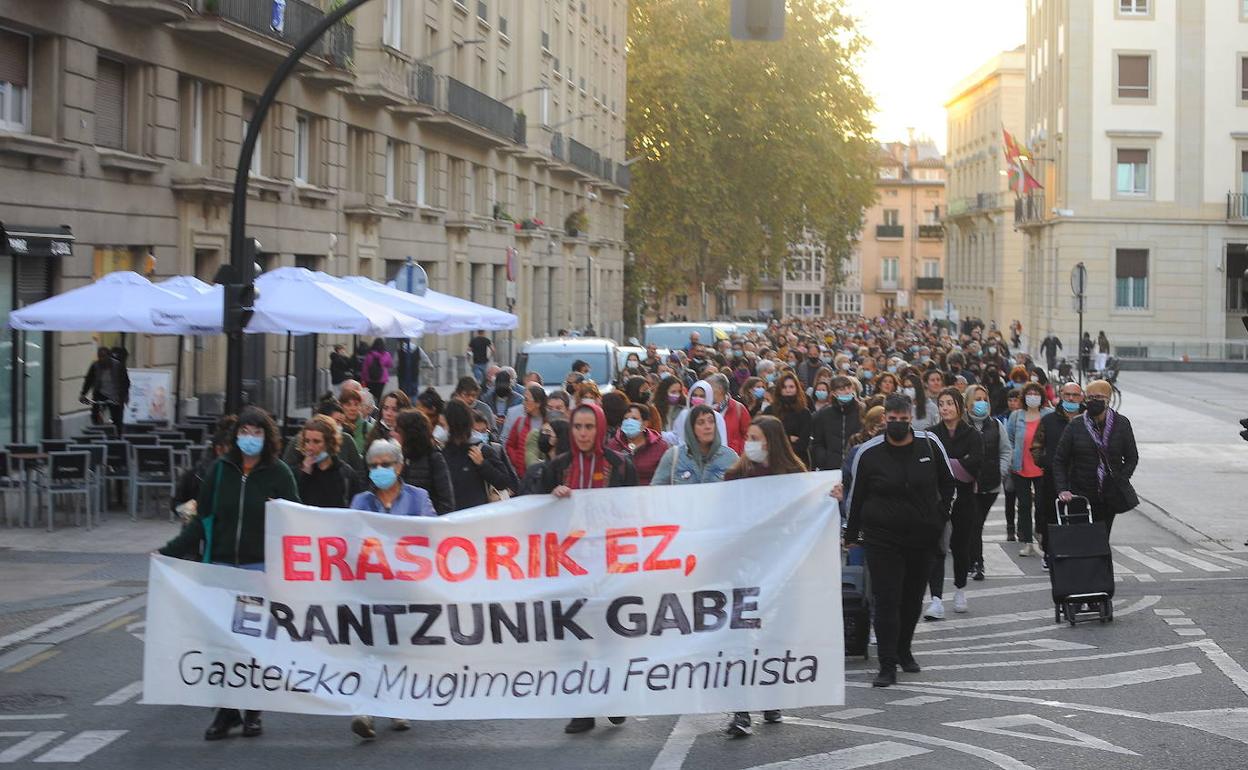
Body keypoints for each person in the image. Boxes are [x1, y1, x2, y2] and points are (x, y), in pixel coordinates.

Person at [158, 407, 300, 740]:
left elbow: (294, 524)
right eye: (244, 432)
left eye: (257, 432)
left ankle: (252, 712)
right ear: (235, 436)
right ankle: (225, 712)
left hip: (258, 569)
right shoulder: (220, 473)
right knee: (221, 645)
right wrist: (167, 553)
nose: (250, 438)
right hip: (221, 568)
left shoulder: (280, 474)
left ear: (268, 437)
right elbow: (201, 523)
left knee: (253, 646)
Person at [537, 402, 636, 735]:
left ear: (600, 428)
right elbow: (535, 510)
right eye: (577, 426)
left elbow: (635, 511)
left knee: (610, 635)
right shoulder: (557, 467)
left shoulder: (619, 465)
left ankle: (614, 698)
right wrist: (552, 497)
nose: (582, 433)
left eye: (589, 427)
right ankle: (582, 708)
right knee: (574, 637)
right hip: (569, 567)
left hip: (610, 564)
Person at [844, 393, 955, 688]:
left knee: (911, 599)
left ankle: (904, 648)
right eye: (892, 420)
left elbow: (948, 482)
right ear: (884, 420)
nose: (897, 425)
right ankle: (887, 663)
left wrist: (940, 516)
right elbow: (856, 496)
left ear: (911, 419)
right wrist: (851, 534)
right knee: (887, 599)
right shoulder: (869, 453)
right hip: (882, 537)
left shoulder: (929, 445)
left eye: (903, 420)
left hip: (922, 535)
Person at [718, 414, 806, 736]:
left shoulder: (794, 475)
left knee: (772, 636)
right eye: (748, 438)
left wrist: (830, 497)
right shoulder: (736, 475)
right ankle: (740, 712)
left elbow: (809, 511)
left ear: (772, 441)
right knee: (739, 639)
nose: (749, 444)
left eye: (756, 438)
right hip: (743, 568)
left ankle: (770, 695)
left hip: (780, 567)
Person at [346, 438, 433, 740]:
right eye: (373, 466)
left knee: (399, 646)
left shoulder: (418, 498)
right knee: (369, 647)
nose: (379, 470)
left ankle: (398, 703)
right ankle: (365, 710)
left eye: (385, 464)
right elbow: (349, 538)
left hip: (406, 588)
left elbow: (432, 533)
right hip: (370, 588)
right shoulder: (361, 502)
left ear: (400, 466)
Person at [926, 388, 984, 618]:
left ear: (960, 406)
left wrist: (946, 466)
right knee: (937, 548)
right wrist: (957, 464)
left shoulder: (972, 435)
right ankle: (936, 599)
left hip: (965, 498)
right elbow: (928, 466)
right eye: (942, 403)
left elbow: (975, 465)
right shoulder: (931, 434)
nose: (945, 408)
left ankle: (960, 589)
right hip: (938, 499)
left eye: (950, 403)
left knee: (961, 547)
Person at [1054, 379, 1139, 534]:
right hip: (1079, 494)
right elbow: (1060, 460)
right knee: (1081, 539)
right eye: (1090, 398)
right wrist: (1062, 489)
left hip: (1108, 495)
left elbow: (1132, 457)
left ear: (1108, 399)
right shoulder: (1076, 424)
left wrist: (1120, 479)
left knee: (1101, 539)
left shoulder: (1121, 423)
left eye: (1099, 398)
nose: (1094, 402)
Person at [1031, 380, 1084, 567]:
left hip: (1080, 477)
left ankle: (1076, 551)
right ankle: (1049, 552)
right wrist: (1046, 462)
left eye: (1075, 395)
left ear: (1081, 397)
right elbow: (1036, 447)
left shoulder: (1087, 420)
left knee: (1079, 515)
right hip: (1052, 476)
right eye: (1067, 394)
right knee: (1050, 515)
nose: (1071, 398)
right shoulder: (1049, 421)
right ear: (1061, 395)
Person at [965, 385, 1012, 581]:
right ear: (968, 402)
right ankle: (977, 562)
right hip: (968, 483)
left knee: (976, 523)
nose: (981, 403)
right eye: (977, 399)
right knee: (974, 523)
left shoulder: (996, 425)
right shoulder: (961, 425)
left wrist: (999, 472)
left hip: (990, 485)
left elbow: (1005, 450)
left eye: (984, 398)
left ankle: (971, 558)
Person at [441, 400, 514, 511]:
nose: (441, 429)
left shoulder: (482, 450)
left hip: (477, 519)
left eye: (443, 425)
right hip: (449, 519)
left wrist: (483, 464)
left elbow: (503, 482)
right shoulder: (442, 452)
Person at [1006, 382, 1052, 557]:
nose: (1033, 396)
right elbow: (1009, 438)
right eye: (1029, 393)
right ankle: (1027, 541)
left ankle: (1040, 534)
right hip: (1020, 466)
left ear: (1041, 396)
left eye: (1036, 393)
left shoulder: (1048, 415)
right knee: (1024, 505)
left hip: (1041, 467)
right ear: (1024, 397)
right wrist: (1012, 455)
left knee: (1041, 504)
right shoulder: (1016, 416)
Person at [652, 404, 738, 485]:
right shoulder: (674, 456)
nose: (708, 426)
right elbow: (656, 491)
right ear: (691, 429)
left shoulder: (730, 457)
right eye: (701, 423)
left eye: (711, 421)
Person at [393, 408, 455, 514]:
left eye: (397, 431)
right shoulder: (397, 457)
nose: (393, 434)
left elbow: (446, 502)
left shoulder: (434, 459)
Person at [294, 415, 358, 508]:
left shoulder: (346, 475)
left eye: (316, 442)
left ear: (329, 443)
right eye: (307, 441)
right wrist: (305, 473)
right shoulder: (297, 472)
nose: (310, 447)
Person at [608, 402, 671, 486]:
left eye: (634, 419)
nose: (629, 422)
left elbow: (666, 477)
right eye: (626, 419)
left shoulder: (660, 447)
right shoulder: (612, 445)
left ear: (645, 424)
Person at [810, 375, 863, 472]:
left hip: (856, 466)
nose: (847, 391)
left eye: (849, 388)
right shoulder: (824, 414)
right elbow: (817, 442)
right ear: (834, 393)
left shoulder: (861, 411)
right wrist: (824, 459)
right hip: (830, 468)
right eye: (842, 389)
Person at [763, 371, 813, 464]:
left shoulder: (804, 412)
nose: (788, 390)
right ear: (779, 389)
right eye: (784, 387)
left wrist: (780, 439)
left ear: (797, 388)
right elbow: (767, 438)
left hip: (799, 461)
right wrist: (789, 439)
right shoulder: (769, 411)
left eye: (791, 387)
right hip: (774, 461)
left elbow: (803, 443)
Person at [79, 346, 129, 432]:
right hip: (100, 394)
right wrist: (83, 394)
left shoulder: (118, 366)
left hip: (115, 395)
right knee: (95, 414)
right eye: (99, 357)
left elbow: (125, 382)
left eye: (103, 356)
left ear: (109, 356)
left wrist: (123, 396)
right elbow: (89, 380)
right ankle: (98, 431)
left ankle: (118, 436)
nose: (101, 359)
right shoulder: (95, 366)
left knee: (117, 418)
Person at [503, 385, 547, 476]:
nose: (523, 403)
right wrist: (517, 460)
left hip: (545, 475)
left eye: (526, 400)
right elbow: (510, 445)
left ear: (538, 403)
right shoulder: (520, 422)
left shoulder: (549, 423)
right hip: (523, 476)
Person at [518, 418, 570, 495]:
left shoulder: (571, 470)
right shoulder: (534, 470)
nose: (543, 435)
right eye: (542, 431)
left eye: (547, 432)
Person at [706, 373, 750, 455]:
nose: (706, 390)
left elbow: (748, 434)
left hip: (733, 458)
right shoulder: (704, 408)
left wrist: (739, 451)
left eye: (709, 387)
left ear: (720, 389)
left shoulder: (738, 408)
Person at [338, 388, 372, 454]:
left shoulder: (369, 428)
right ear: (341, 406)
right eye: (348, 405)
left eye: (356, 404)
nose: (353, 408)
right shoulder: (336, 427)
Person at [361, 338, 393, 404]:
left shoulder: (369, 354)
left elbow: (365, 367)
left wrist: (363, 378)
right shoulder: (386, 354)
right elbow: (390, 365)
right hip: (382, 379)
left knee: (370, 396)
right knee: (379, 396)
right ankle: (377, 410)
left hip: (369, 379)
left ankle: (371, 409)